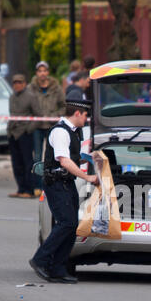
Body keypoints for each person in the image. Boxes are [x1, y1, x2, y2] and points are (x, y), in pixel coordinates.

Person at [29, 97, 98, 284]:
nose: (87, 119)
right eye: (85, 115)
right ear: (77, 113)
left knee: (71, 224)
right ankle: (40, 259)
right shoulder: (60, 132)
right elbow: (64, 161)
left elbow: (71, 158)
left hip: (66, 182)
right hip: (57, 183)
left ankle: (58, 269)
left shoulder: (73, 132)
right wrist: (88, 177)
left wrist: (89, 159)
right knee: (66, 223)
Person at [29, 61, 66, 197]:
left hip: (52, 126)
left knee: (52, 156)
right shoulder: (31, 88)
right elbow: (28, 106)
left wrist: (54, 116)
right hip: (37, 126)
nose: (42, 73)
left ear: (48, 72)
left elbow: (63, 106)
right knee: (37, 156)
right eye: (40, 71)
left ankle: (50, 184)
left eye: (45, 70)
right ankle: (37, 186)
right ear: (36, 73)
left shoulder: (56, 88)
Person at [7, 74, 41, 199]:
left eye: (20, 82)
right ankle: (21, 188)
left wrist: (29, 129)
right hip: (12, 133)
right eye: (15, 82)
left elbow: (39, 116)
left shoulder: (31, 96)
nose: (17, 85)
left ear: (24, 83)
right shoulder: (11, 97)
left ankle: (29, 189)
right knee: (16, 163)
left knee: (27, 162)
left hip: (25, 133)